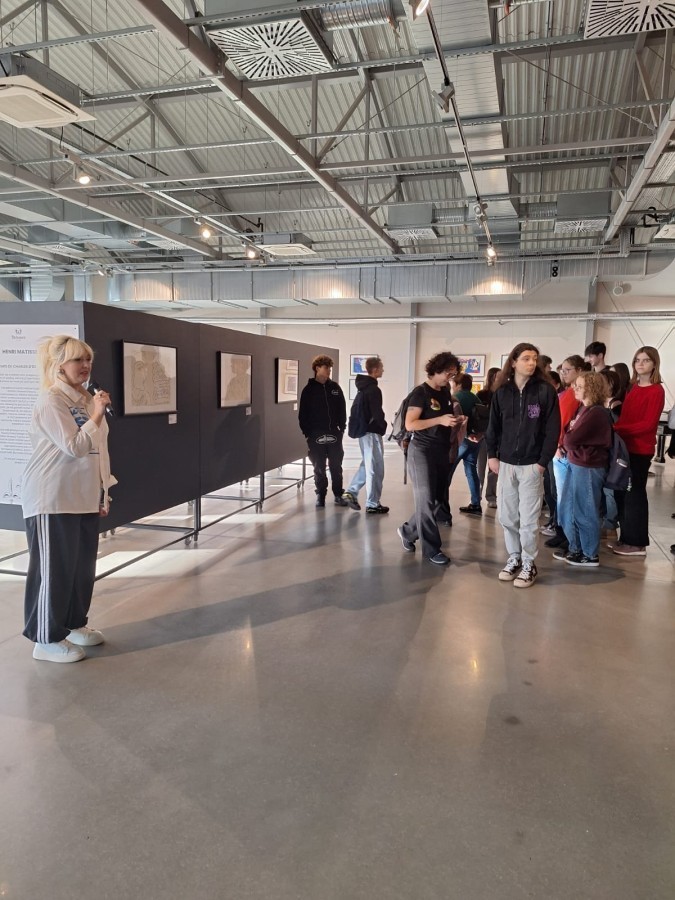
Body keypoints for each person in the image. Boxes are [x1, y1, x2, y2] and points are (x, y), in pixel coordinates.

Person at [21, 335, 116, 663]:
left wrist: (103, 492)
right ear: (59, 365)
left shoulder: (85, 399)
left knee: (80, 569)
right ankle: (45, 638)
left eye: (88, 359)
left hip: (82, 496)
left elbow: (98, 449)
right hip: (52, 497)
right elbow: (74, 446)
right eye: (78, 360)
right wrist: (97, 413)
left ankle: (73, 624)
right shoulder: (51, 400)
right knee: (55, 571)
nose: (85, 366)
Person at [486, 343, 560, 588]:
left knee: (528, 520)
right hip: (506, 464)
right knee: (507, 517)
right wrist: (492, 456)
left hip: (532, 465)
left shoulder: (545, 391)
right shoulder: (502, 392)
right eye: (526, 358)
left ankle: (529, 562)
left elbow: (552, 429)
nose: (531, 363)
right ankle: (514, 557)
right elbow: (493, 427)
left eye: (534, 359)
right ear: (514, 362)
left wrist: (542, 462)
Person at [397, 352, 462, 566]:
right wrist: (439, 420)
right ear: (435, 370)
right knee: (425, 499)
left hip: (441, 451)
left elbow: (442, 419)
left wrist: (455, 420)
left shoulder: (445, 391)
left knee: (436, 500)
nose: (450, 378)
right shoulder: (420, 393)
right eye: (448, 373)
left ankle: (408, 531)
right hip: (421, 451)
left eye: (453, 374)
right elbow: (410, 424)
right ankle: (432, 549)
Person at [610, 346, 665, 557]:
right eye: (637, 360)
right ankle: (626, 537)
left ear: (654, 364)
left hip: (640, 449)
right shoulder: (633, 388)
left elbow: (648, 424)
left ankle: (636, 542)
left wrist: (618, 429)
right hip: (624, 447)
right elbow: (626, 417)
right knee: (622, 493)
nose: (640, 364)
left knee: (634, 495)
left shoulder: (656, 390)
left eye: (645, 360)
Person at [553, 372, 612, 567]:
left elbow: (570, 439)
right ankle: (576, 548)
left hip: (589, 465)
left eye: (579, 386)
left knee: (585, 510)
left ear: (592, 388)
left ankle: (589, 553)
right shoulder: (584, 409)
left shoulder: (596, 412)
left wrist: (569, 438)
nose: (575, 389)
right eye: (575, 386)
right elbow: (570, 436)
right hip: (577, 462)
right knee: (569, 508)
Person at [548, 355, 588, 550]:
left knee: (565, 497)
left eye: (567, 370)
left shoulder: (573, 394)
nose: (563, 373)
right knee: (559, 495)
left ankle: (568, 536)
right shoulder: (566, 393)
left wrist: (557, 445)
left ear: (579, 371)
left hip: (563, 450)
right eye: (562, 370)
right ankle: (562, 531)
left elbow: (562, 420)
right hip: (560, 449)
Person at [298, 355, 348, 508]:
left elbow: (342, 409)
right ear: (317, 368)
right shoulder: (308, 390)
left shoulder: (335, 388)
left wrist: (341, 428)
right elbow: (303, 414)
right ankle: (321, 494)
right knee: (319, 467)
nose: (329, 371)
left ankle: (338, 494)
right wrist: (308, 433)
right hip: (315, 434)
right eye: (326, 368)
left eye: (330, 368)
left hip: (334, 433)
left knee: (336, 466)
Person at [342, 357, 389, 514]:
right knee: (375, 468)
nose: (383, 370)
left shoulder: (363, 387)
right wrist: (383, 427)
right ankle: (372, 504)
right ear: (375, 370)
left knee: (368, 464)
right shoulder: (373, 389)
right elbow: (377, 413)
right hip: (371, 433)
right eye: (381, 367)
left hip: (365, 432)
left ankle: (351, 492)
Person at [449, 373, 483, 516]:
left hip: (461, 440)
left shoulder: (456, 398)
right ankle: (476, 503)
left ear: (459, 385)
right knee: (471, 470)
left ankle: (441, 503)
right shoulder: (476, 398)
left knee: (448, 469)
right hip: (476, 440)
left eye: (454, 384)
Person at [476, 366, 500, 509]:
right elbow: (477, 414)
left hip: (497, 436)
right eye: (498, 376)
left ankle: (491, 496)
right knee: (480, 468)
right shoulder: (482, 394)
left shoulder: (503, 393)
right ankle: (476, 497)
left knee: (494, 469)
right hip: (483, 434)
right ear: (492, 377)